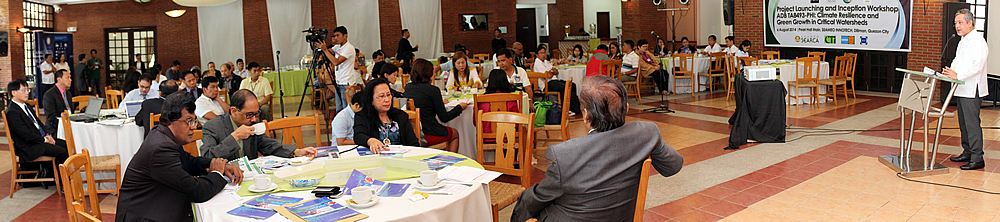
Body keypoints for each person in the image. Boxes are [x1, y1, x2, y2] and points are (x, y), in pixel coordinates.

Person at [510, 75, 684, 221]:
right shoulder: (646, 133)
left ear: (585, 115)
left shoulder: (565, 154)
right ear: (627, 109)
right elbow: (673, 166)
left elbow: (538, 197)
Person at [115, 92, 242, 222]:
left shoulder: (164, 135)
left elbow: (190, 162)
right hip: (144, 217)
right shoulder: (161, 148)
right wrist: (217, 173)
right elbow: (196, 191)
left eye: (194, 120)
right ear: (171, 120)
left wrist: (218, 165)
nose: (193, 127)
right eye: (188, 121)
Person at [200, 89, 318, 160]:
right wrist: (234, 137)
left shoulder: (252, 124)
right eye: (249, 114)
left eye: (257, 114)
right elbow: (207, 157)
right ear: (234, 111)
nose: (254, 119)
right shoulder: (213, 127)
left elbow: (268, 145)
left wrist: (295, 152)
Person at [944, 9, 990, 170]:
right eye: (956, 23)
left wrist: (958, 74)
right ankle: (968, 151)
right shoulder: (963, 40)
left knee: (972, 124)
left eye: (960, 22)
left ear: (970, 23)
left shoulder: (978, 41)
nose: (957, 26)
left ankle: (977, 157)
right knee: (963, 123)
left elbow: (977, 66)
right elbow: (958, 61)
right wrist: (949, 73)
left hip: (972, 88)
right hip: (961, 87)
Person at [6, 79, 69, 175]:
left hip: (38, 140)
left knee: (66, 144)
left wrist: (47, 135)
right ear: (13, 93)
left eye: (28, 90)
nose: (27, 93)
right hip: (29, 146)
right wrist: (44, 140)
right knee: (61, 152)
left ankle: (53, 174)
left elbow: (39, 123)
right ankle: (63, 183)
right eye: (23, 90)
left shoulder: (26, 105)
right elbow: (25, 134)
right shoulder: (12, 112)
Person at [405, 59, 466, 152]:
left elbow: (422, 100)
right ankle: (450, 163)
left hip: (412, 133)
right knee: (455, 134)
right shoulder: (433, 90)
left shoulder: (408, 87)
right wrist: (459, 108)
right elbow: (444, 117)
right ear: (428, 74)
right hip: (428, 133)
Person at [353, 78, 420, 152]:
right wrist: (370, 141)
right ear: (370, 99)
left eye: (388, 95)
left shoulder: (401, 116)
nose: (387, 99)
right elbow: (358, 136)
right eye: (381, 96)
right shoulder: (362, 116)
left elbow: (413, 143)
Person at [316, 26, 356, 113]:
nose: (336, 38)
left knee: (347, 110)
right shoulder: (338, 47)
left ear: (345, 36)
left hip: (346, 83)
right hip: (338, 82)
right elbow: (329, 51)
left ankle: (349, 126)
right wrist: (321, 45)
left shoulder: (348, 48)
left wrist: (325, 50)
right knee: (339, 110)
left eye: (338, 35)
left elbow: (336, 62)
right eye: (334, 36)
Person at [535, 47, 580, 115]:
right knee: (564, 87)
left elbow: (556, 71)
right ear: (537, 55)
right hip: (546, 84)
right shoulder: (538, 63)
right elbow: (549, 75)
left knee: (572, 85)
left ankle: (575, 108)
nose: (543, 54)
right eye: (541, 53)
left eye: (544, 53)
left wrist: (551, 71)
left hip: (554, 81)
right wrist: (552, 72)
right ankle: (565, 109)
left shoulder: (546, 62)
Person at [42, 69, 73, 135]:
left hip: (69, 125)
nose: (70, 80)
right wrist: (64, 125)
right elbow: (51, 117)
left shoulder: (68, 94)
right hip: (56, 129)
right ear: (59, 79)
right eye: (67, 77)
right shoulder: (49, 95)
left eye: (70, 77)